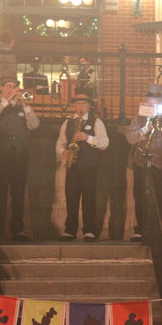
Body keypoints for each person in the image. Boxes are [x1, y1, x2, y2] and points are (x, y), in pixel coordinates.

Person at [0, 74, 40, 242]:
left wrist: (25, 105)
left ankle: (18, 229)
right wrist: (6, 101)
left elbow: (35, 125)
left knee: (18, 193)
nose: (11, 89)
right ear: (1, 88)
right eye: (7, 86)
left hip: (20, 155)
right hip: (1, 154)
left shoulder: (22, 107)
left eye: (13, 86)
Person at [126, 84, 162, 242]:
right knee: (140, 195)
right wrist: (146, 128)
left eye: (157, 101)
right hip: (142, 162)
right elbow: (130, 138)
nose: (154, 104)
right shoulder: (138, 118)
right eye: (151, 101)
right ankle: (141, 228)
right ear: (147, 101)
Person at [55, 87, 109, 242]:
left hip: (90, 165)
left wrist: (88, 138)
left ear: (89, 106)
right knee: (71, 197)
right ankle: (70, 230)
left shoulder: (96, 122)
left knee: (89, 198)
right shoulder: (67, 123)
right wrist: (62, 152)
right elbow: (60, 143)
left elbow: (105, 143)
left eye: (83, 103)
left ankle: (89, 230)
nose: (80, 106)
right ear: (73, 106)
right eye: (77, 103)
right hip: (73, 165)